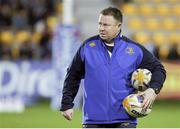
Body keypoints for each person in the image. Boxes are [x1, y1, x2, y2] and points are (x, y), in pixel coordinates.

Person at [60, 7, 166, 128]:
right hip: (93, 120)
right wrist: (67, 104)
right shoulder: (87, 47)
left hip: (125, 119)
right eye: (100, 24)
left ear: (118, 25)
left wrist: (153, 90)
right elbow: (72, 75)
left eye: (106, 25)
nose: (101, 28)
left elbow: (159, 69)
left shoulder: (134, 50)